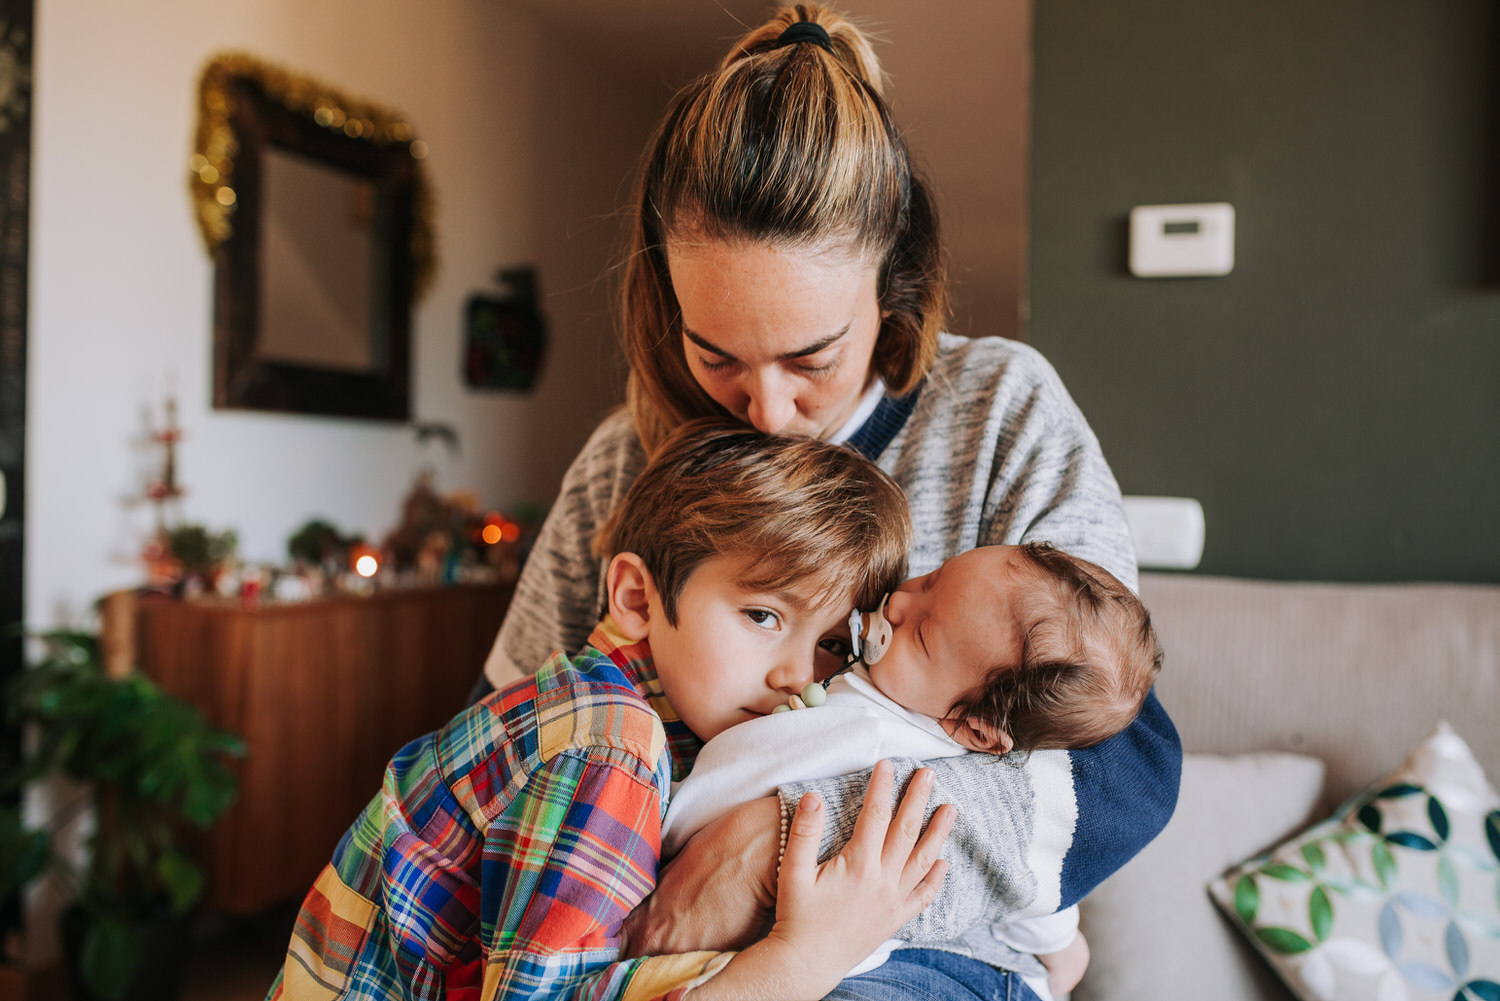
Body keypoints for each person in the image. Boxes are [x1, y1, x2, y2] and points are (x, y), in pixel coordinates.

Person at [471, 5, 1182, 998]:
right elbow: (500, 738)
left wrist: (779, 835)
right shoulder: (620, 461)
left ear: (891, 283)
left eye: (811, 357)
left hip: (918, 951)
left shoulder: (1001, 411)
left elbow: (1120, 767)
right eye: (714, 353)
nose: (765, 408)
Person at [267, 422, 955, 1001]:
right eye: (762, 613)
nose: (798, 673)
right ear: (634, 597)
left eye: (834, 643)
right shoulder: (609, 741)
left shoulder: (669, 715)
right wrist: (804, 957)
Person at [661, 542, 1164, 1001]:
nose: (898, 604)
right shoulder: (950, 736)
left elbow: (721, 791)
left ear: (975, 728)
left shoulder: (860, 731)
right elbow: (1026, 884)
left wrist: (665, 823)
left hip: (769, 950)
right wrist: (1062, 943)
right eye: (931, 580)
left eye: (922, 634)